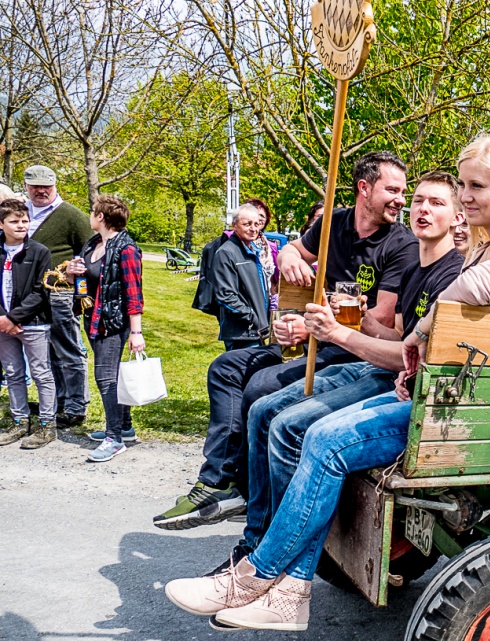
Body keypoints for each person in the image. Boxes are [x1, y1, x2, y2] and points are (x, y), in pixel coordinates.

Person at [164, 134, 490, 631]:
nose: (466, 196)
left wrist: (418, 337)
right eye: (461, 184)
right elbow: (460, 325)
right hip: (444, 394)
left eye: (475, 186)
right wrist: (416, 359)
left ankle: (256, 577)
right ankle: (287, 591)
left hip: (479, 413)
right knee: (299, 425)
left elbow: (465, 295)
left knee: (325, 438)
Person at [201, 173, 467, 575]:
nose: (421, 209)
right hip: (376, 366)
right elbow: (396, 334)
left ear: (458, 216)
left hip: (398, 384)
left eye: (436, 203)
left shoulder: (454, 275)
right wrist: (358, 318)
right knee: (260, 410)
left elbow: (408, 360)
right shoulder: (417, 267)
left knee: (289, 424)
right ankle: (254, 537)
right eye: (417, 201)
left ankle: (277, 558)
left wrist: (341, 332)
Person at [153, 151, 418, 530]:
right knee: (226, 368)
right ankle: (218, 480)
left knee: (261, 388)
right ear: (364, 188)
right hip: (314, 339)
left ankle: (243, 492)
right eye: (392, 190)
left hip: (351, 350)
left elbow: (380, 321)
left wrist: (309, 327)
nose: (400, 200)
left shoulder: (400, 244)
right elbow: (294, 250)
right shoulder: (333, 223)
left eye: (403, 191)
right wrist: (290, 258)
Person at [66, 196, 144, 462]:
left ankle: (114, 438)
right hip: (93, 319)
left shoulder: (126, 248)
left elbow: (134, 293)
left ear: (101, 217)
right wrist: (72, 273)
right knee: (110, 375)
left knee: (105, 378)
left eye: (92, 212)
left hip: (113, 323)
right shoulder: (93, 244)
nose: (89, 215)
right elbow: (84, 282)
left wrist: (136, 332)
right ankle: (125, 426)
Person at [23, 165, 94, 429]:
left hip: (60, 294)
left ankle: (76, 407)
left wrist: (79, 281)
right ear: (27, 187)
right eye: (35, 187)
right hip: (30, 295)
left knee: (68, 350)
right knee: (45, 352)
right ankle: (56, 401)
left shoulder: (71, 215)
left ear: (55, 186)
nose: (41, 191)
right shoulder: (22, 212)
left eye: (47, 187)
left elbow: (92, 250)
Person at [0, 198, 57, 448]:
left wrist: (14, 318)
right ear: (1, 224)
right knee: (13, 373)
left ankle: (47, 424)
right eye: (14, 221)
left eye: (25, 220)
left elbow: (41, 291)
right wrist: (3, 318)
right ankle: (20, 420)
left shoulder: (39, 251)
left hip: (33, 323)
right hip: (1, 324)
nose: (21, 225)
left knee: (41, 373)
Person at [210, 204, 271, 351]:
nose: (253, 228)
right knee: (242, 373)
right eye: (247, 224)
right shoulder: (226, 253)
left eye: (256, 224)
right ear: (234, 225)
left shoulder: (253, 251)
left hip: (257, 331)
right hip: (242, 333)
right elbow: (226, 296)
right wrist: (252, 317)